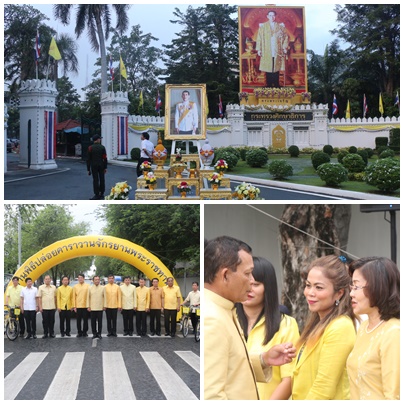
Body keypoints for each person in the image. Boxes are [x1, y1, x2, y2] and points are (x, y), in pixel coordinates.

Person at [204, 236, 296, 400]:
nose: (251, 281)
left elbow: (233, 367)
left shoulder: (225, 309)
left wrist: (263, 360)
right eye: (248, 274)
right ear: (225, 275)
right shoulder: (212, 319)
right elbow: (211, 395)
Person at [291, 255, 356, 400]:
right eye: (308, 285)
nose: (310, 293)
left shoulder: (340, 327)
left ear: (339, 293)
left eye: (318, 287)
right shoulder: (317, 323)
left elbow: (323, 388)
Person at [236, 257, 300, 399]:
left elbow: (289, 379)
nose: (249, 289)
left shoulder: (286, 324)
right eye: (245, 282)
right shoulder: (227, 319)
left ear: (268, 287)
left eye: (256, 284)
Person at [347, 257, 400, 400]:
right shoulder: (364, 327)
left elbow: (394, 395)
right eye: (351, 287)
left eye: (357, 287)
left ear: (378, 287)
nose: (351, 293)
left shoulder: (394, 332)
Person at [256, 10, 289, 87]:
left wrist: (284, 47)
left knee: (276, 66)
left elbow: (285, 37)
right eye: (270, 15)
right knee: (268, 66)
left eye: (273, 15)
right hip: (267, 49)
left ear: (275, 16)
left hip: (277, 49)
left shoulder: (280, 26)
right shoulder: (263, 27)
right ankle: (269, 84)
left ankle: (276, 84)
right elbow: (259, 38)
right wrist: (259, 49)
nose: (272, 17)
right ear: (267, 16)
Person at [87, 134, 107, 200]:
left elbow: (88, 159)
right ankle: (102, 194)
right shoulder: (102, 147)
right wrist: (105, 167)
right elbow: (104, 158)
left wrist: (88, 169)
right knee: (102, 179)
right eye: (100, 139)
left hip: (94, 165)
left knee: (95, 180)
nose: (100, 140)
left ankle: (96, 194)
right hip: (101, 165)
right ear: (97, 139)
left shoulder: (90, 148)